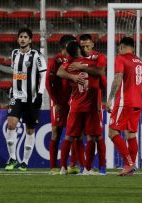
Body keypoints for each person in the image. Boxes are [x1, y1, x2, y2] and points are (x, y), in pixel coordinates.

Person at [57, 41, 105, 175]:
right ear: (79, 49)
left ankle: (63, 168)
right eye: (82, 47)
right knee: (91, 137)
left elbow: (59, 72)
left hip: (76, 106)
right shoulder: (88, 62)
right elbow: (100, 71)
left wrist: (72, 75)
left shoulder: (70, 65)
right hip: (91, 107)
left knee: (69, 137)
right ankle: (88, 170)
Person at [4, 28, 47, 171]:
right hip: (16, 96)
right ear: (18, 39)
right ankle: (12, 158)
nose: (22, 39)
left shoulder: (37, 56)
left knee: (29, 129)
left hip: (32, 99)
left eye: (25, 37)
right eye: (20, 36)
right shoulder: (14, 53)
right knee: (11, 124)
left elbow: (43, 76)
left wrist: (40, 94)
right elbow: (15, 73)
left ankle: (25, 162)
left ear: (30, 40)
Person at [106, 37, 142, 176]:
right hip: (137, 102)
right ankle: (130, 167)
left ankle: (129, 163)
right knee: (130, 134)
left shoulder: (121, 58)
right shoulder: (139, 61)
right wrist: (138, 97)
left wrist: (110, 98)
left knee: (112, 132)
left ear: (122, 47)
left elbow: (118, 78)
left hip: (124, 102)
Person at [45, 35, 79, 174]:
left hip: (73, 101)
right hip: (59, 102)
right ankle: (53, 166)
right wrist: (56, 102)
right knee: (56, 132)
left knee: (74, 132)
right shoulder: (56, 61)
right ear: (66, 45)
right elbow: (48, 83)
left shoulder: (75, 60)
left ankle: (72, 165)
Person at [78, 34, 107, 175]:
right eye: (82, 46)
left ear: (93, 44)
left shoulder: (99, 57)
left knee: (98, 136)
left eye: (87, 46)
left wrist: (82, 67)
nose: (85, 48)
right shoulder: (77, 58)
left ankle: (102, 166)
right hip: (79, 103)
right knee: (83, 136)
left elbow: (100, 71)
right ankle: (86, 168)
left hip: (94, 103)